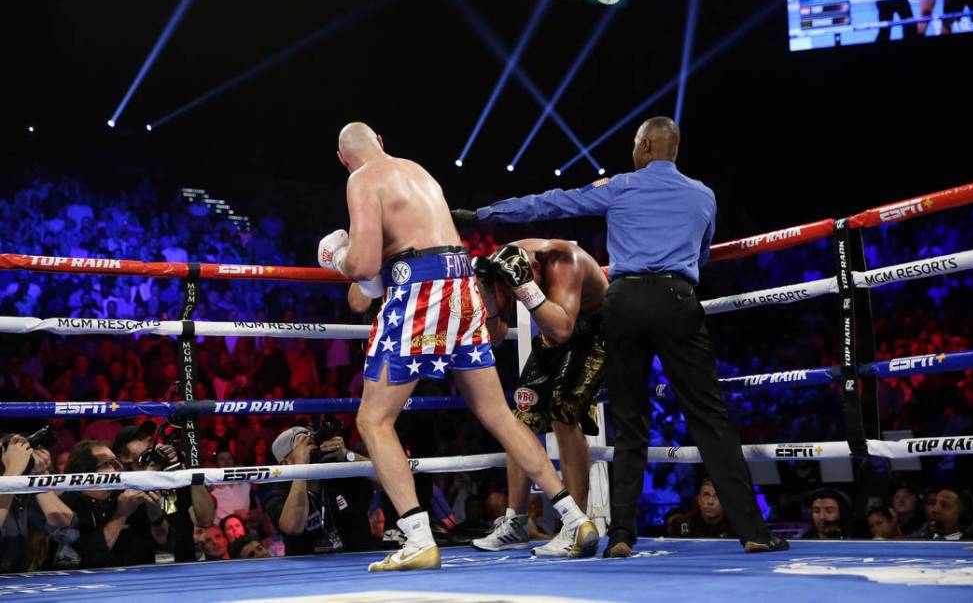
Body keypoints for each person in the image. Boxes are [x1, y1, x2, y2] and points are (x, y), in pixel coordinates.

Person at [452, 116, 787, 557]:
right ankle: (753, 533)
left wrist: (484, 215)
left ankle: (623, 536)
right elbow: (701, 255)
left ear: (646, 145)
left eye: (634, 144)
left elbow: (553, 204)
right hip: (676, 298)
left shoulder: (622, 185)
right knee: (710, 419)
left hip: (624, 303)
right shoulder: (703, 195)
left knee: (630, 421)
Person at [318, 122, 597, 571]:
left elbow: (365, 264)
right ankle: (575, 519)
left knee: (373, 419)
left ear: (341, 160)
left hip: (422, 293)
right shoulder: (417, 172)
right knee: (498, 414)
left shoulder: (361, 179)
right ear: (382, 143)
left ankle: (417, 537)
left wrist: (336, 257)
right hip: (463, 286)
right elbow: (376, 275)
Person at [471, 239, 607, 556]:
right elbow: (496, 335)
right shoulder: (500, 266)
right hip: (553, 329)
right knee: (519, 419)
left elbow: (563, 329)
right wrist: (489, 296)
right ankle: (516, 522)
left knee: (563, 414)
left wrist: (527, 288)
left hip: (597, 327)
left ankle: (575, 526)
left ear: (533, 268)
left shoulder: (565, 261)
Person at [261, 426, 373, 557]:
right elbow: (293, 527)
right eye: (303, 445)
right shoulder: (278, 494)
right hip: (308, 572)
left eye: (312, 441)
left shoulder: (341, 473)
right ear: (286, 463)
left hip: (360, 563)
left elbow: (389, 479)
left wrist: (348, 455)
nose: (312, 447)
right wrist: (300, 466)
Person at [113, 424, 216, 563]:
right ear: (124, 457)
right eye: (139, 438)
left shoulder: (174, 475)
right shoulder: (118, 487)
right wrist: (151, 471)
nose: (149, 441)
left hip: (183, 564)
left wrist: (191, 470)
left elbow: (205, 520)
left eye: (150, 439)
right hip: (139, 570)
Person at [58, 440, 168, 567]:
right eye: (108, 463)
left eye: (116, 461)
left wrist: (155, 514)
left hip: (140, 577)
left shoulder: (129, 494)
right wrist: (121, 514)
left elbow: (164, 541)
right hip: (92, 581)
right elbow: (88, 559)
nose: (119, 468)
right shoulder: (67, 505)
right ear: (86, 472)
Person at [0, 434, 75, 573]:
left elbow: (67, 528)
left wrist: (38, 476)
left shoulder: (23, 489)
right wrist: (13, 470)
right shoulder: (13, 477)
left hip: (21, 578)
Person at [667, 478, 736, 539]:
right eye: (706, 495)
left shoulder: (736, 528)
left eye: (717, 496)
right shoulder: (681, 525)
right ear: (699, 500)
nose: (710, 502)